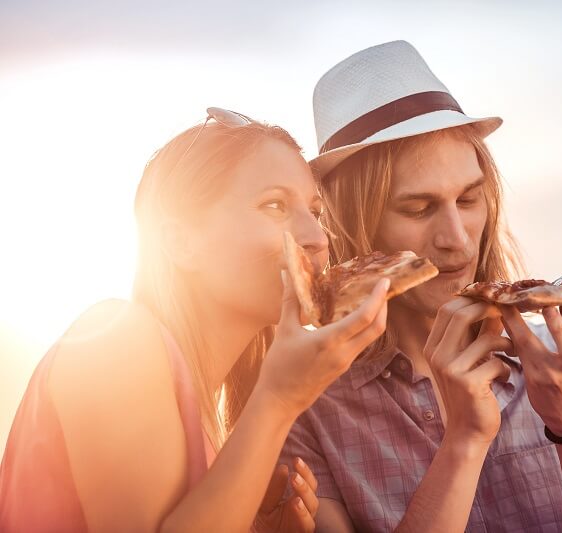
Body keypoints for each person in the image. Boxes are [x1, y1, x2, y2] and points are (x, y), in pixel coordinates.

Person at [279, 41, 562, 532]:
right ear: (356, 227)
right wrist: (462, 443)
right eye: (417, 209)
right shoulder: (307, 409)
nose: (457, 241)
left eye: (469, 199)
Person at [0, 108, 389, 532]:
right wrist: (278, 401)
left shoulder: (211, 417)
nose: (317, 238)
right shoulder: (113, 341)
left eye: (315, 211)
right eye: (275, 205)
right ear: (180, 243)